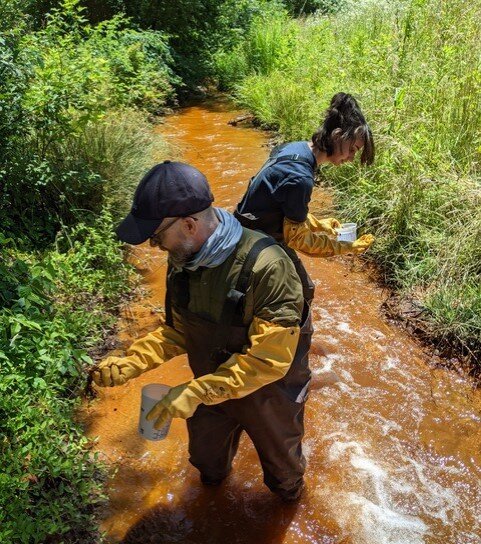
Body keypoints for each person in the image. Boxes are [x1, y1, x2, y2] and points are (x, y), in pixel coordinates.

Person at [92, 161, 311, 502]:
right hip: (208, 383)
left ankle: (289, 498)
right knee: (208, 466)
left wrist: (194, 393)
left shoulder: (268, 266)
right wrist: (133, 362)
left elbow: (269, 361)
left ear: (190, 225)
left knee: (284, 478)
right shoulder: (182, 261)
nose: (154, 246)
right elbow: (179, 331)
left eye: (156, 236)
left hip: (270, 391)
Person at [235, 92, 375, 303]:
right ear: (337, 136)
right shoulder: (300, 178)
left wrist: (319, 224)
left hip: (243, 230)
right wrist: (347, 247)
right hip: (253, 242)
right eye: (353, 150)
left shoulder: (295, 148)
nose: (351, 158)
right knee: (303, 290)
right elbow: (298, 239)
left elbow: (278, 202)